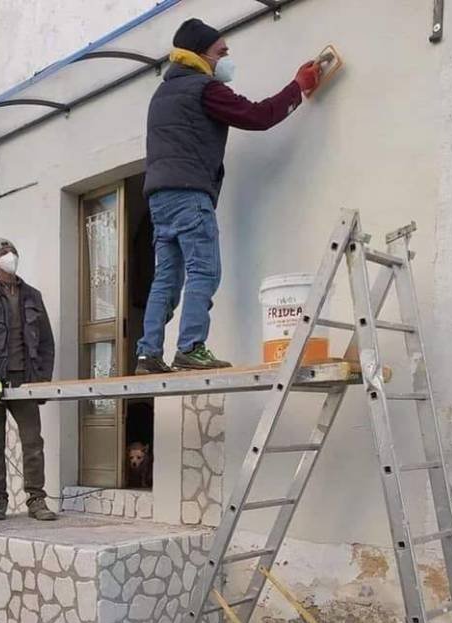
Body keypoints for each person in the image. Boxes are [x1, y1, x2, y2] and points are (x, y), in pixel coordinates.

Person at [136, 18, 322, 374]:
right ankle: (191, 347)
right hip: (190, 193)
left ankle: (148, 353)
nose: (226, 59)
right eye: (221, 52)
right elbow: (257, 116)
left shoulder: (161, 94)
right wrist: (297, 87)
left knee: (167, 277)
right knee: (204, 270)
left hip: (160, 198)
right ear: (200, 54)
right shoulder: (204, 88)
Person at [0, 238, 57, 521]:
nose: (10, 256)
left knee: (33, 441)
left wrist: (42, 380)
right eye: (3, 253)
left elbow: (46, 343)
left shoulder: (32, 296)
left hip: (24, 381)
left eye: (12, 251)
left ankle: (36, 500)